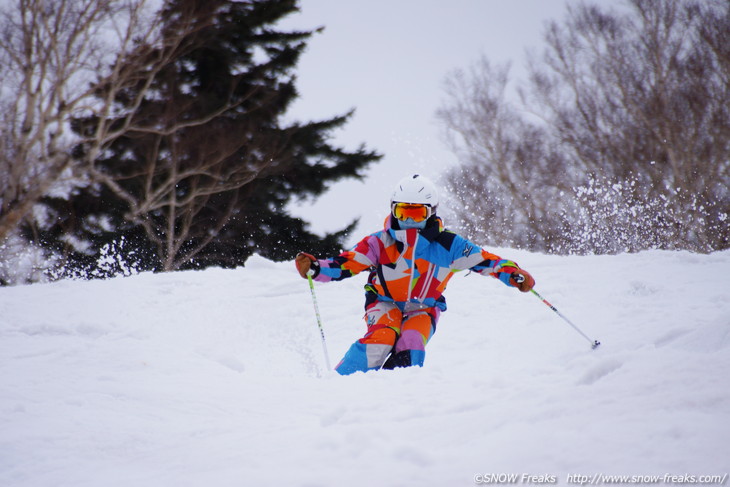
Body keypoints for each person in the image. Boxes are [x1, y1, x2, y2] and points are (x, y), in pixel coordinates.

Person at [294, 174, 535, 375]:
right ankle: (341, 383)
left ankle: (394, 391)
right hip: (384, 302)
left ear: (431, 212)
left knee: (411, 342)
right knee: (383, 338)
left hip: (424, 307)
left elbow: (485, 261)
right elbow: (348, 263)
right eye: (402, 211)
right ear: (393, 210)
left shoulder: (449, 244)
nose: (409, 219)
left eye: (417, 213)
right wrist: (317, 269)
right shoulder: (380, 242)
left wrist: (511, 273)